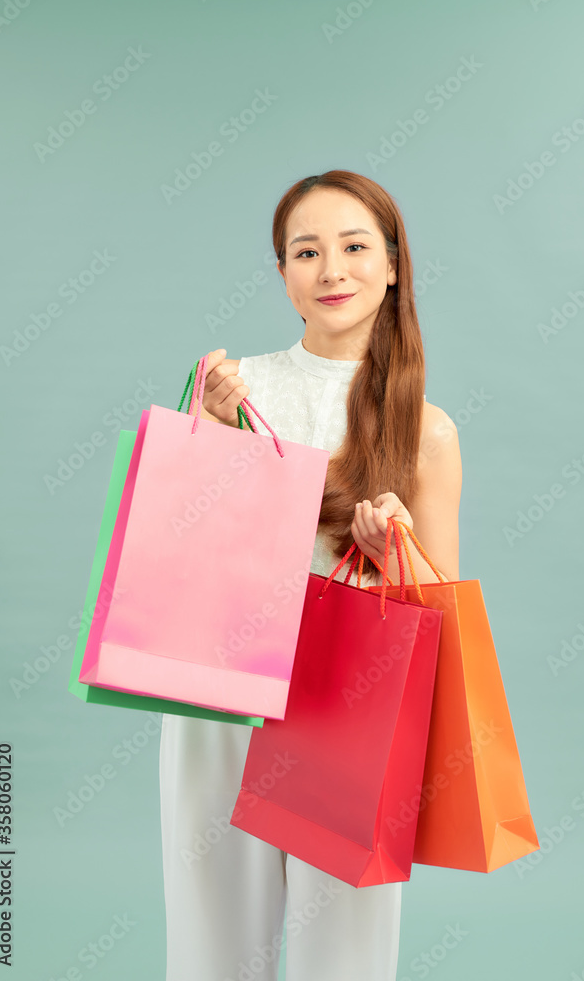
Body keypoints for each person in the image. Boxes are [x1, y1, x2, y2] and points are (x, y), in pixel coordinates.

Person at [159, 169, 462, 981]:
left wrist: (390, 545)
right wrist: (205, 431)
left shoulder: (425, 426)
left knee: (348, 956)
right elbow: (175, 558)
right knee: (212, 945)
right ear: (284, 275)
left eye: (355, 246)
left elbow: (439, 608)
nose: (332, 269)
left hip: (354, 700)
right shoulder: (234, 389)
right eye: (306, 251)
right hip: (223, 697)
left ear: (393, 266)